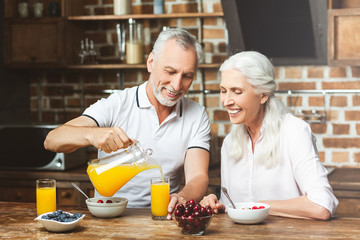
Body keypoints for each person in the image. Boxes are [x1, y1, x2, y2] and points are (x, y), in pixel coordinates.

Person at [44, 28, 211, 219]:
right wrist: (93, 134)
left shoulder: (196, 115)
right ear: (151, 62)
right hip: (111, 219)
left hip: (162, 218)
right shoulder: (118, 104)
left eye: (187, 76)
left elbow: (198, 177)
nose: (176, 85)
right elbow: (52, 140)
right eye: (170, 71)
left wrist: (180, 198)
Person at [200, 51, 338, 220]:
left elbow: (321, 205)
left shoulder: (294, 132)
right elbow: (234, 206)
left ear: (263, 95)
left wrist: (258, 207)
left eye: (237, 91)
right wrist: (219, 205)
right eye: (223, 90)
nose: (226, 101)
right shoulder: (230, 143)